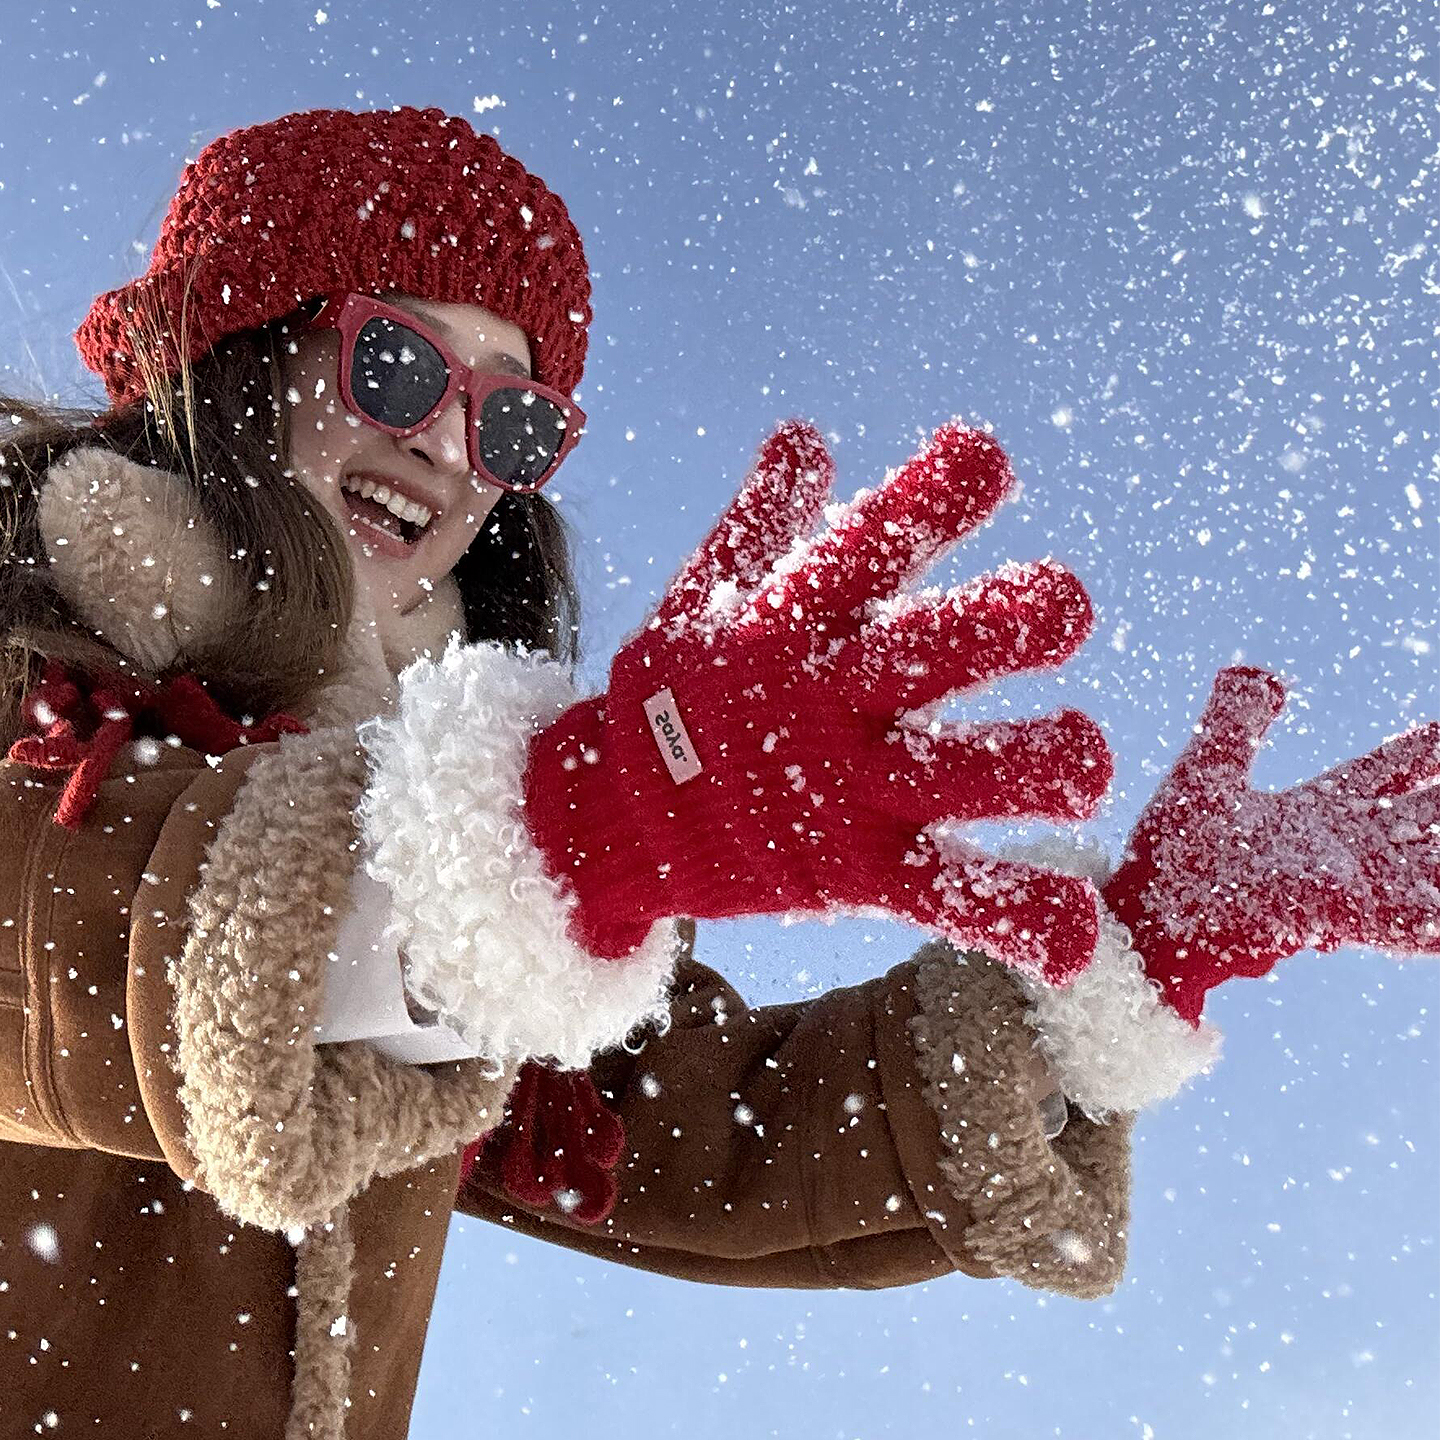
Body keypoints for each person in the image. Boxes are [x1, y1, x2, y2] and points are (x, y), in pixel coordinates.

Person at [1, 106, 1433, 1440]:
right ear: (235, 351)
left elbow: (707, 1129)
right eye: (397, 364)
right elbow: (50, 939)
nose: (444, 443)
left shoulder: (439, 826)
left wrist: (1122, 968)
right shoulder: (30, 652)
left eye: (512, 422)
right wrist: (543, 842)